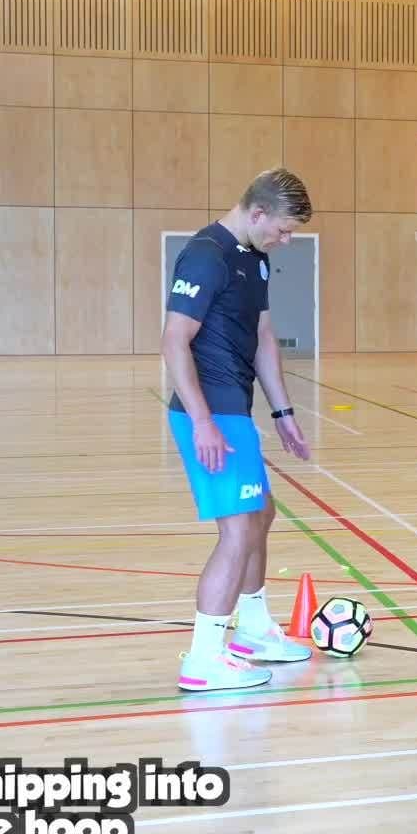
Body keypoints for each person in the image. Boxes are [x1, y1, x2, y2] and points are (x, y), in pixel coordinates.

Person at [161, 168, 315, 692]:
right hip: (213, 413)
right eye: (284, 229)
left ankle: (252, 631)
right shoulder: (206, 255)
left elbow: (263, 337)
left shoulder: (254, 258)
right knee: (238, 530)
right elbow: (174, 340)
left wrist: (283, 412)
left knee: (261, 514)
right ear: (257, 212)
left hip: (236, 410)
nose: (286, 240)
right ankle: (204, 659)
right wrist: (202, 421)